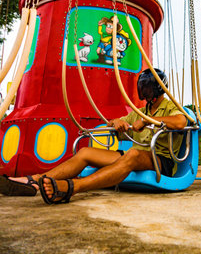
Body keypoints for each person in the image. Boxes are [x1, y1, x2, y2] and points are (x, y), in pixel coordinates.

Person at [0, 69, 187, 204]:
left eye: (147, 88)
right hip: (136, 156)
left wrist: (148, 121)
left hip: (161, 160)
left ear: (157, 88)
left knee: (132, 155)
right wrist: (116, 123)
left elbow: (181, 122)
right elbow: (113, 122)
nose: (144, 92)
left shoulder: (171, 107)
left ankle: (73, 187)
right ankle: (34, 181)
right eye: (142, 88)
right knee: (86, 152)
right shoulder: (139, 111)